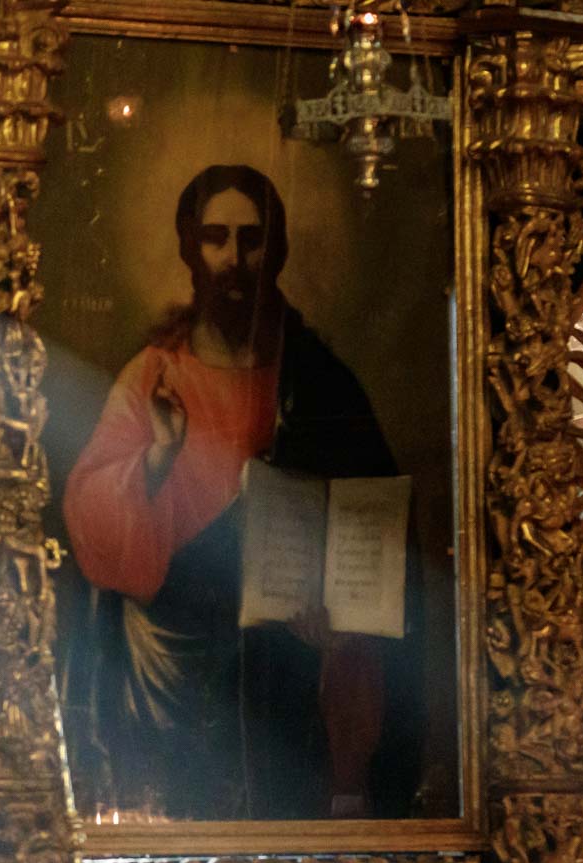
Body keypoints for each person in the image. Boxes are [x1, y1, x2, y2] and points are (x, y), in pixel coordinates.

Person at [61, 163, 416, 820]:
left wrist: (335, 610)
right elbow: (92, 521)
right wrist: (157, 460)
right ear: (189, 247)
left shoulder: (318, 379)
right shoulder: (153, 377)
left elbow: (375, 525)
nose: (234, 258)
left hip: (293, 654)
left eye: (251, 239)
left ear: (275, 251)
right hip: (178, 651)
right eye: (217, 238)